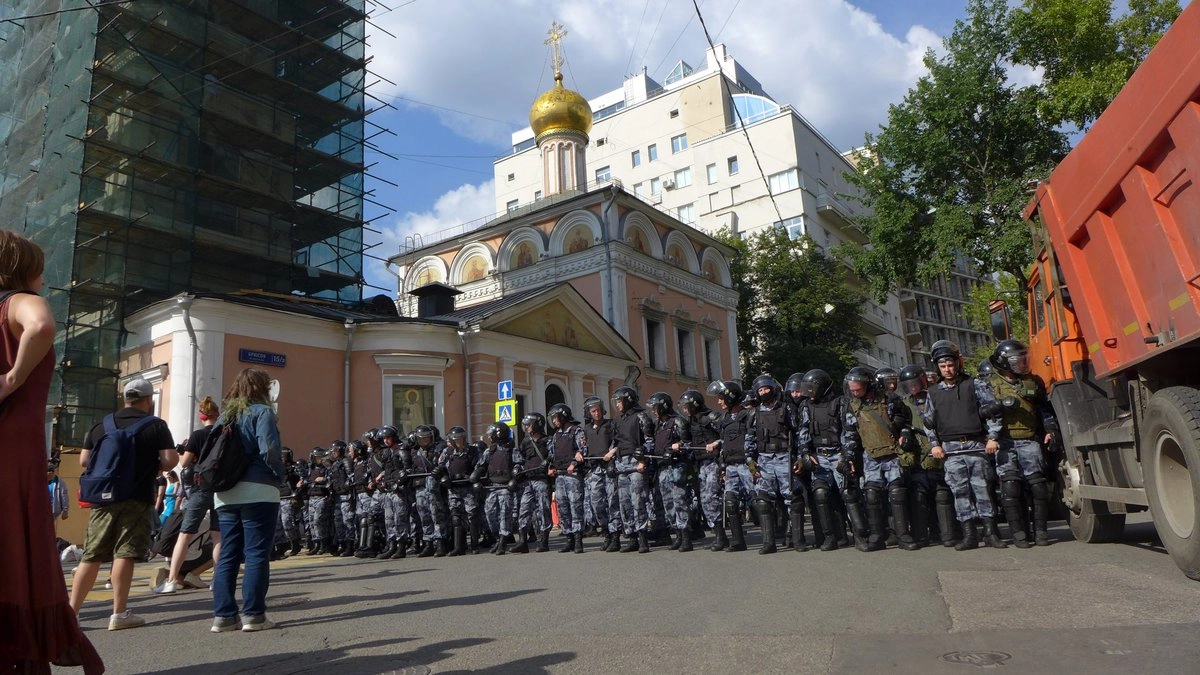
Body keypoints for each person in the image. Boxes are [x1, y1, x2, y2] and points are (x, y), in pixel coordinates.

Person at [0, 231, 104, 673]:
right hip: (11, 450)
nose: (44, 278)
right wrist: (12, 378)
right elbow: (41, 323)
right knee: (15, 549)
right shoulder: (16, 302)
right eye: (40, 267)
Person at [69, 377, 178, 631]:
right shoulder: (156, 426)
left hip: (103, 497)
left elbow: (84, 461)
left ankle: (71, 614)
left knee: (91, 554)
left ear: (125, 398)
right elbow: (170, 460)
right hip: (136, 497)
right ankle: (119, 614)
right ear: (148, 400)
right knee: (125, 553)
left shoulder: (101, 425)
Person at [209, 367, 284, 633]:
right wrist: (279, 475)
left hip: (225, 492)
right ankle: (254, 615)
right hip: (259, 489)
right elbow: (270, 450)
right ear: (262, 388)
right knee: (255, 553)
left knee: (228, 553)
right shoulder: (263, 411)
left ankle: (224, 616)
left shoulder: (224, 417)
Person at [922, 340, 1006, 551]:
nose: (947, 369)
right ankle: (969, 535)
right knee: (960, 492)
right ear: (937, 368)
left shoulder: (974, 384)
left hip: (976, 446)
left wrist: (993, 437)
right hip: (950, 451)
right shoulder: (933, 393)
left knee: (982, 490)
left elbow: (992, 411)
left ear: (957, 364)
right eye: (942, 366)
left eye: (950, 365)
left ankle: (990, 533)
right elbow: (928, 422)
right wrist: (935, 445)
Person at [987, 339, 1058, 547]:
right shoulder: (989, 384)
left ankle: (1041, 532)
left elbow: (1044, 409)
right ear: (1004, 362)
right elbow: (980, 412)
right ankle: (1019, 533)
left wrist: (1050, 429)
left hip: (1029, 440)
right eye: (1016, 361)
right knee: (1010, 489)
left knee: (1037, 487)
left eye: (1023, 359)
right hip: (1004, 443)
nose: (1021, 364)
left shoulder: (1033, 381)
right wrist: (996, 407)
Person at [841, 367, 919, 551]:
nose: (854, 392)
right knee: (872, 495)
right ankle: (877, 536)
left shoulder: (889, 399)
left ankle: (903, 535)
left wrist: (904, 432)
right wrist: (848, 457)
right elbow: (850, 434)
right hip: (870, 456)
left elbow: (905, 418)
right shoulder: (852, 406)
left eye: (857, 389)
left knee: (897, 493)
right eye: (851, 390)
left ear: (868, 385)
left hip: (892, 453)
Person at [153, 396, 223, 595]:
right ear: (217, 415)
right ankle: (217, 580)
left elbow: (184, 463)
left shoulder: (197, 435)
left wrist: (185, 452)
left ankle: (173, 580)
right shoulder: (225, 435)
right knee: (218, 536)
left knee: (185, 534)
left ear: (202, 416)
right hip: (221, 491)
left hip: (200, 489)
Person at [746, 375, 807, 554]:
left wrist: (800, 456)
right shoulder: (754, 413)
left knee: (794, 499)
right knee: (764, 502)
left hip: (784, 457)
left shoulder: (786, 409)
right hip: (764, 460)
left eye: (766, 389)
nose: (764, 392)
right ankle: (768, 542)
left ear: (773, 389)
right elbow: (749, 439)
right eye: (760, 390)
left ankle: (798, 540)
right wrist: (750, 461)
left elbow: (798, 433)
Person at [609, 387, 655, 553]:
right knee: (625, 503)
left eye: (620, 401)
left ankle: (643, 537)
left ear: (628, 400)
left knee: (638, 501)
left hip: (636, 464)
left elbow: (650, 441)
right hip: (621, 465)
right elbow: (616, 442)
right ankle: (631, 537)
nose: (618, 404)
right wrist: (611, 455)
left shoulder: (641, 417)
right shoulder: (618, 420)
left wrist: (643, 459)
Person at [707, 380, 751, 552]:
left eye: (721, 398)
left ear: (730, 397)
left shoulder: (748, 416)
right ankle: (738, 541)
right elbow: (725, 442)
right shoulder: (725, 419)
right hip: (731, 466)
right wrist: (723, 467)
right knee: (730, 502)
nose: (719, 402)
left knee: (759, 501)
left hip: (747, 465)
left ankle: (771, 539)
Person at [547, 404, 588, 553]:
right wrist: (550, 467)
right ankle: (569, 538)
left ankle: (578, 540)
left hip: (572, 475)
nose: (554, 421)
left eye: (555, 417)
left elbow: (583, 450)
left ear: (563, 416)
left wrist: (574, 463)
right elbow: (552, 454)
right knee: (562, 508)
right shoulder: (556, 435)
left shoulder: (577, 431)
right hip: (559, 476)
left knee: (575, 506)